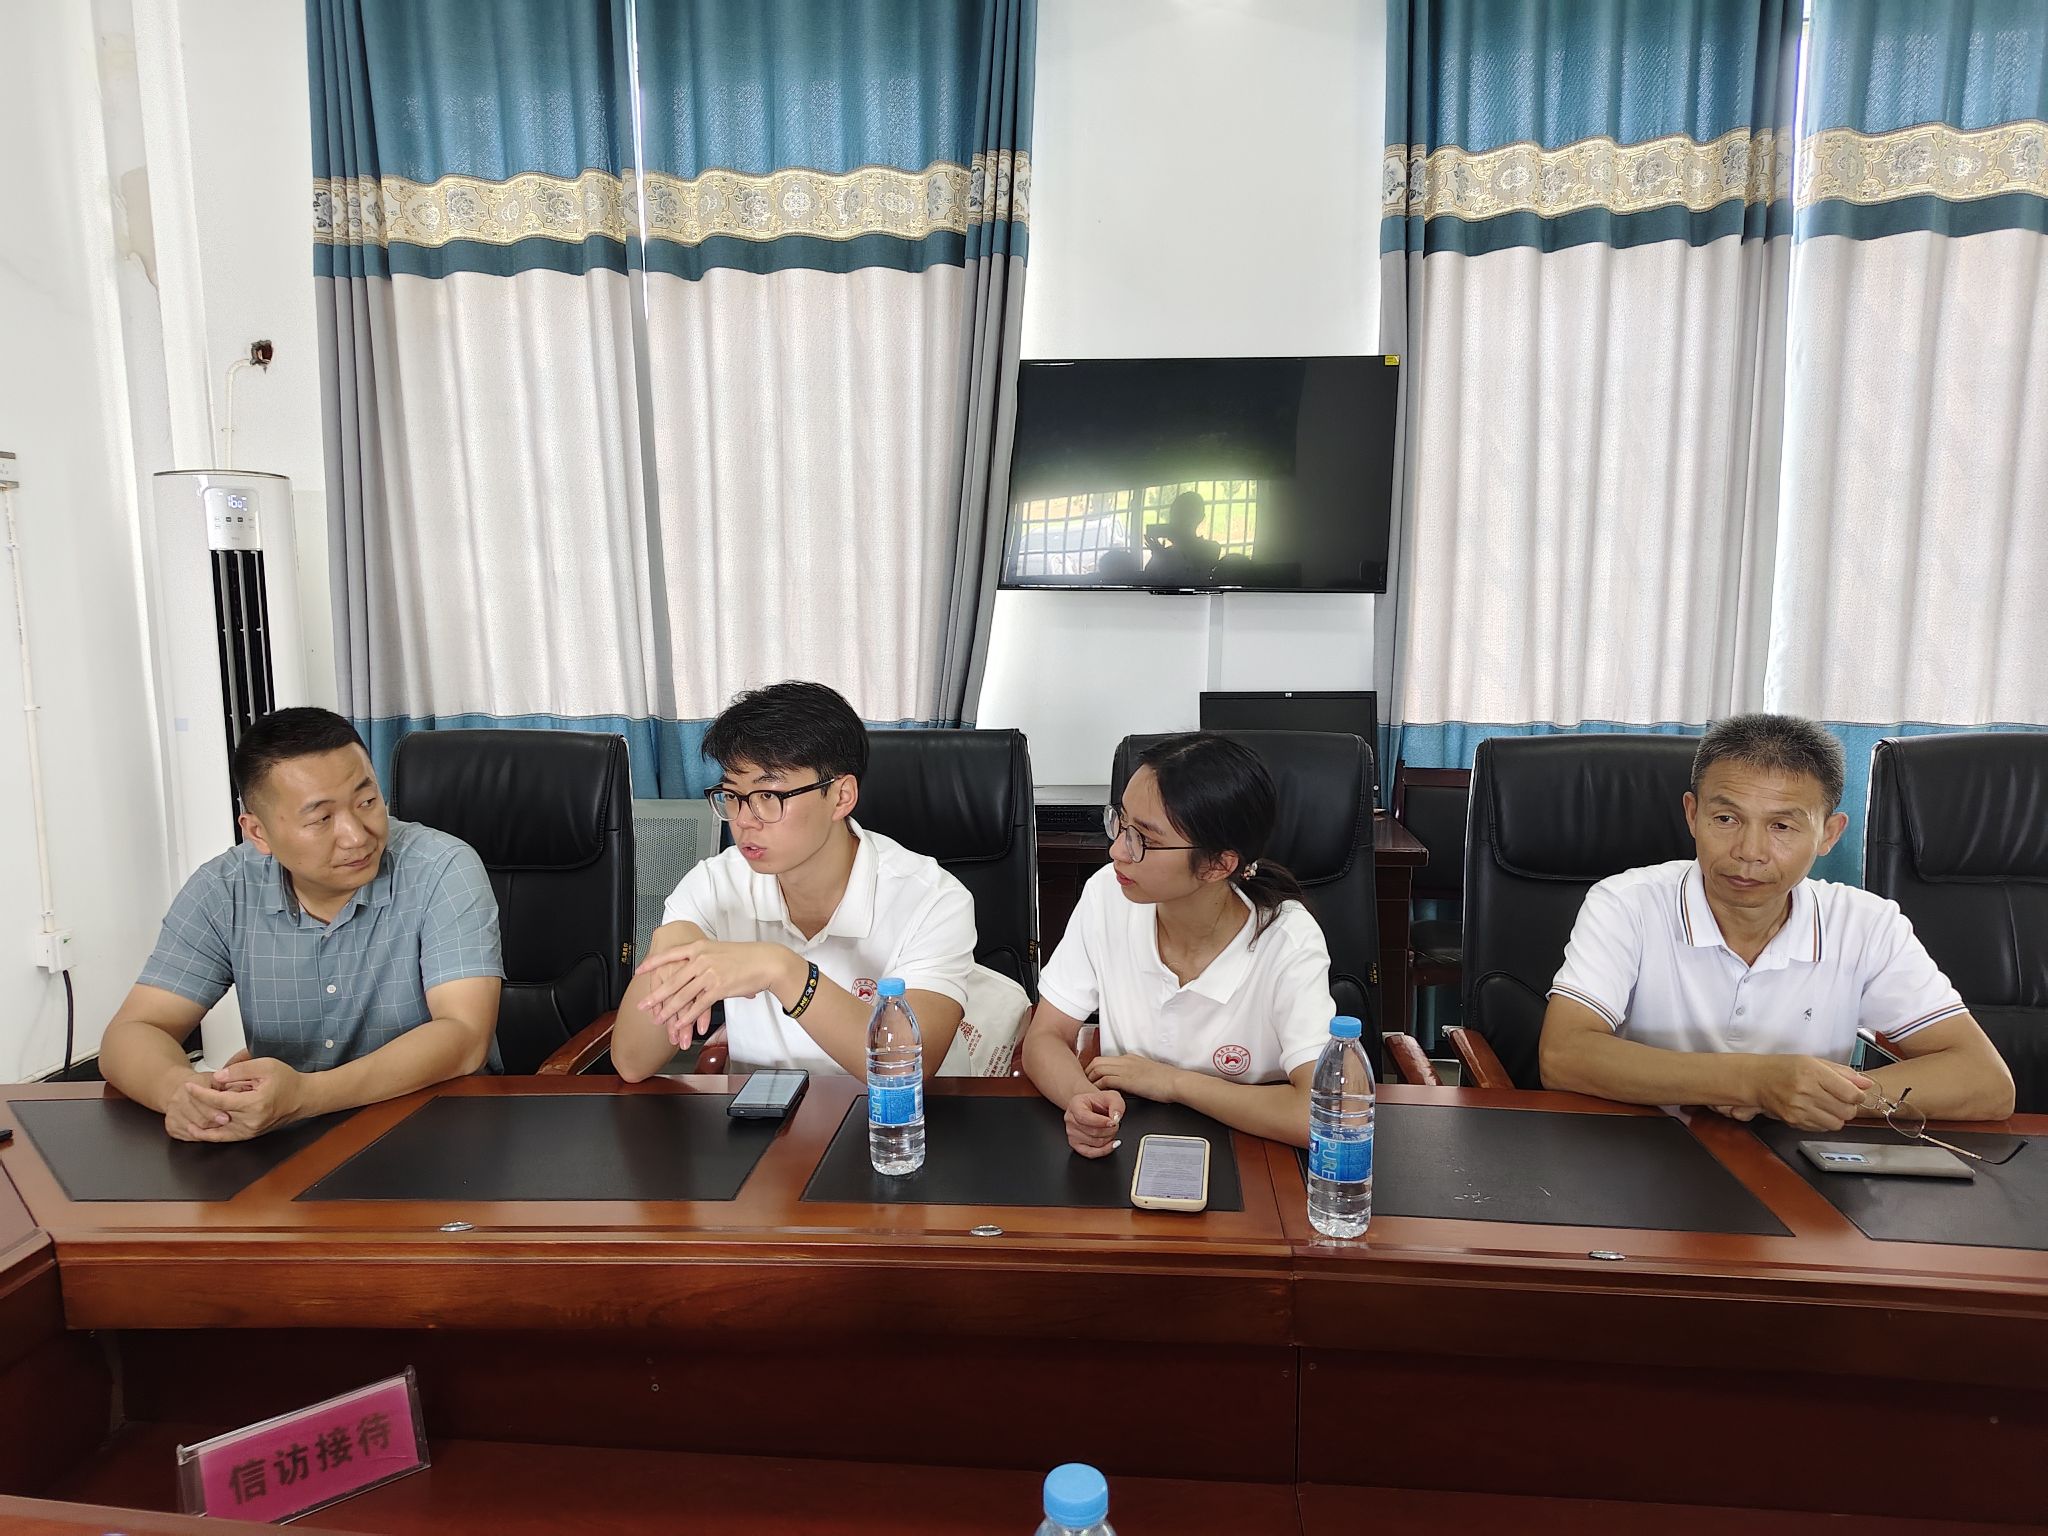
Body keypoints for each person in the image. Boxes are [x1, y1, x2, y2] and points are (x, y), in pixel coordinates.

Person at [1540, 713, 2015, 1128]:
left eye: (1782, 826)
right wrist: (1752, 1081)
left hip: (1796, 1161)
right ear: (1693, 814)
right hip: (1636, 1151)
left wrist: (1818, 1098)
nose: (1750, 852)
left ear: (1829, 834)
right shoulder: (1626, 903)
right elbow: (1563, 1055)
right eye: (1726, 819)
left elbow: (1986, 1082)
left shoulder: (1867, 924)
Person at [102, 708, 503, 1142]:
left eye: (367, 801)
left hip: (437, 1127)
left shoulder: (441, 868)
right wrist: (183, 1094)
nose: (357, 835)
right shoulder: (223, 889)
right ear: (259, 833)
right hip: (285, 1140)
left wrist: (306, 1095)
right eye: (321, 819)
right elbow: (133, 1032)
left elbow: (464, 1036)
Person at [613, 681, 998, 1081]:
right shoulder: (713, 886)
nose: (743, 820)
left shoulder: (933, 899)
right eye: (732, 795)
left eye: (768, 795)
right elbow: (632, 1063)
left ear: (842, 796)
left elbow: (904, 1067)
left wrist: (783, 970)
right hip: (764, 1112)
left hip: (906, 1117)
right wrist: (671, 958)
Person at [1022, 733, 1336, 1152]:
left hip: (1254, 1157)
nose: (1117, 851)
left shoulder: (1286, 940)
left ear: (1217, 865)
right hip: (1132, 1143)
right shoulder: (1108, 895)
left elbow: (1318, 1116)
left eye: (1145, 839)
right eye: (1121, 822)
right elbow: (1045, 1036)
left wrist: (1171, 1082)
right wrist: (1081, 1099)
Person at [1142, 491, 1222, 586]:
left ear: (1200, 518)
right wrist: (1159, 556)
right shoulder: (1165, 552)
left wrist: (1163, 556)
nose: (1178, 520)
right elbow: (1149, 579)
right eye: (1175, 515)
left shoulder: (1210, 548)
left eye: (1185, 514)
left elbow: (1192, 577)